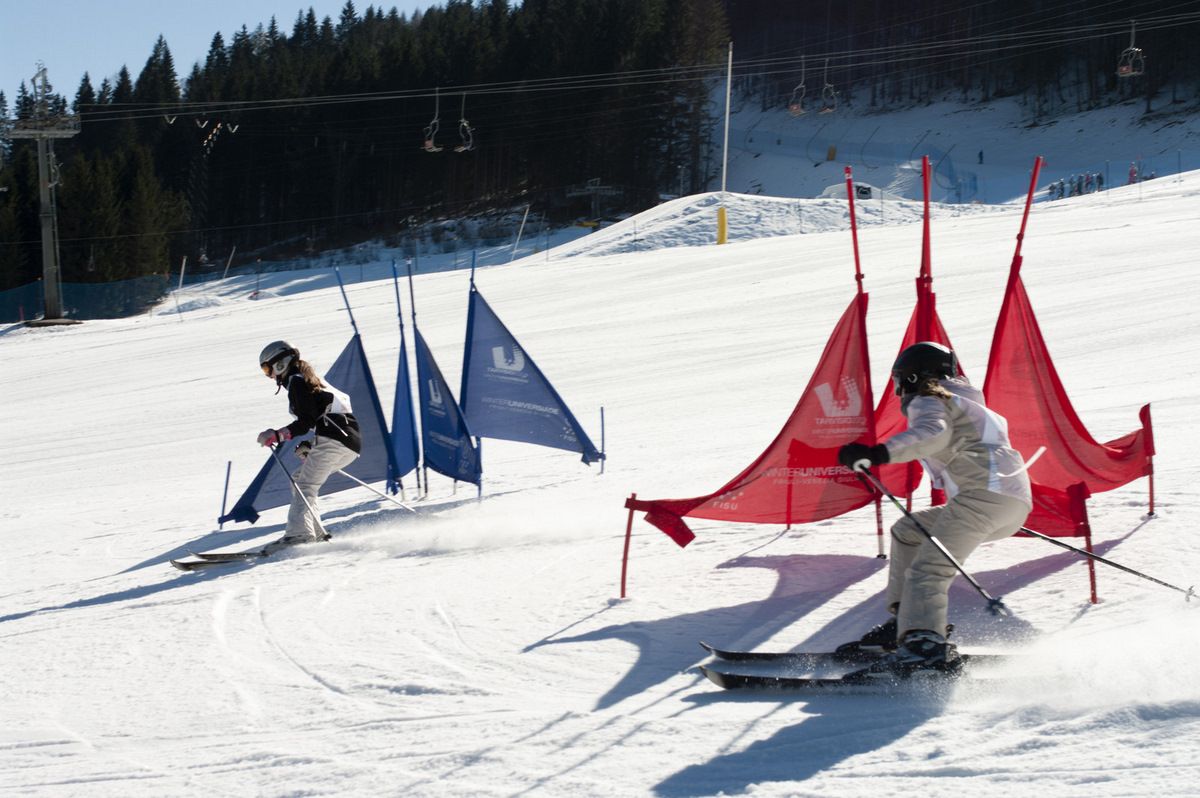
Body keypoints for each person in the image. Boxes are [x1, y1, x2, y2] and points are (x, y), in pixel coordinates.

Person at [835, 342, 1032, 676]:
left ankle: (923, 647)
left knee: (928, 570)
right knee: (909, 530)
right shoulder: (968, 403)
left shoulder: (931, 398)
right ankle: (906, 626)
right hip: (1009, 504)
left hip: (982, 498)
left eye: (899, 382)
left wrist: (880, 454)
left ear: (913, 377)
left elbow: (932, 435)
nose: (899, 391)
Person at [257, 341, 362, 544]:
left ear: (281, 363)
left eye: (267, 368)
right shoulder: (306, 379)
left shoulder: (297, 381)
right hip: (347, 442)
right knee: (299, 479)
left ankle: (299, 535)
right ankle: (315, 532)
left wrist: (277, 435)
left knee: (304, 484)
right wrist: (312, 445)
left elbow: (306, 421)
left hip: (336, 440)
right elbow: (322, 417)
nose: (268, 375)